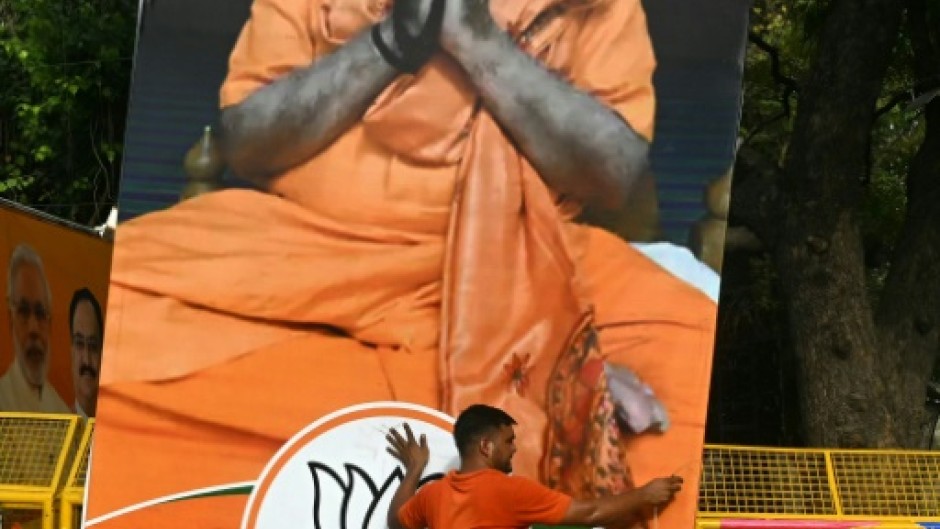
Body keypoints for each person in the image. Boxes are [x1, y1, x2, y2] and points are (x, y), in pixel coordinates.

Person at [85, 0, 717, 526]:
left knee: (686, 373)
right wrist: (390, 41)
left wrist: (475, 40)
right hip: (301, 241)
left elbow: (615, 173)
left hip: (530, 253)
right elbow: (245, 142)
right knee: (115, 313)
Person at [387, 405, 683, 529]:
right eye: (508, 441)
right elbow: (589, 513)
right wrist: (644, 495)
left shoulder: (434, 495)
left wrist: (414, 468)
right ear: (486, 447)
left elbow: (396, 522)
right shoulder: (510, 490)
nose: (514, 448)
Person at [1, 243, 69, 413]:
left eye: (40, 313)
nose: (33, 329)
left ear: (50, 324)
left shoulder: (62, 413)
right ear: (11, 320)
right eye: (23, 311)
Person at [69, 288, 103, 418]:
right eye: (79, 344)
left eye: (93, 346)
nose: (87, 360)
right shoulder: (60, 434)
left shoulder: (121, 432)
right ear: (71, 351)